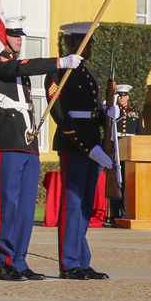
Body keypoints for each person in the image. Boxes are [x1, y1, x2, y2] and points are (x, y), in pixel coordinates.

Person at [0, 15, 81, 281]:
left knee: (26, 208)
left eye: (20, 35)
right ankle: (6, 261)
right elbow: (22, 67)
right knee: (8, 205)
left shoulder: (15, 67)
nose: (19, 39)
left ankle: (20, 259)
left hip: (27, 143)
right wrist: (59, 62)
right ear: (2, 37)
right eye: (14, 35)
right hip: (7, 142)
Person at [46, 22, 118, 280]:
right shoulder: (59, 73)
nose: (90, 49)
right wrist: (87, 147)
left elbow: (94, 112)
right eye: (86, 44)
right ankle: (68, 263)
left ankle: (82, 260)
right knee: (73, 204)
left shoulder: (89, 74)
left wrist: (107, 114)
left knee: (86, 205)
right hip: (74, 144)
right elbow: (60, 114)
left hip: (93, 142)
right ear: (73, 44)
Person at [107, 84, 144, 225]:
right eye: (119, 95)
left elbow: (140, 133)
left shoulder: (135, 112)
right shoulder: (111, 112)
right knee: (115, 183)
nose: (121, 98)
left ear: (128, 97)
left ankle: (126, 212)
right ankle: (114, 214)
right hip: (115, 149)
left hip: (130, 150)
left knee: (128, 183)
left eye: (124, 95)